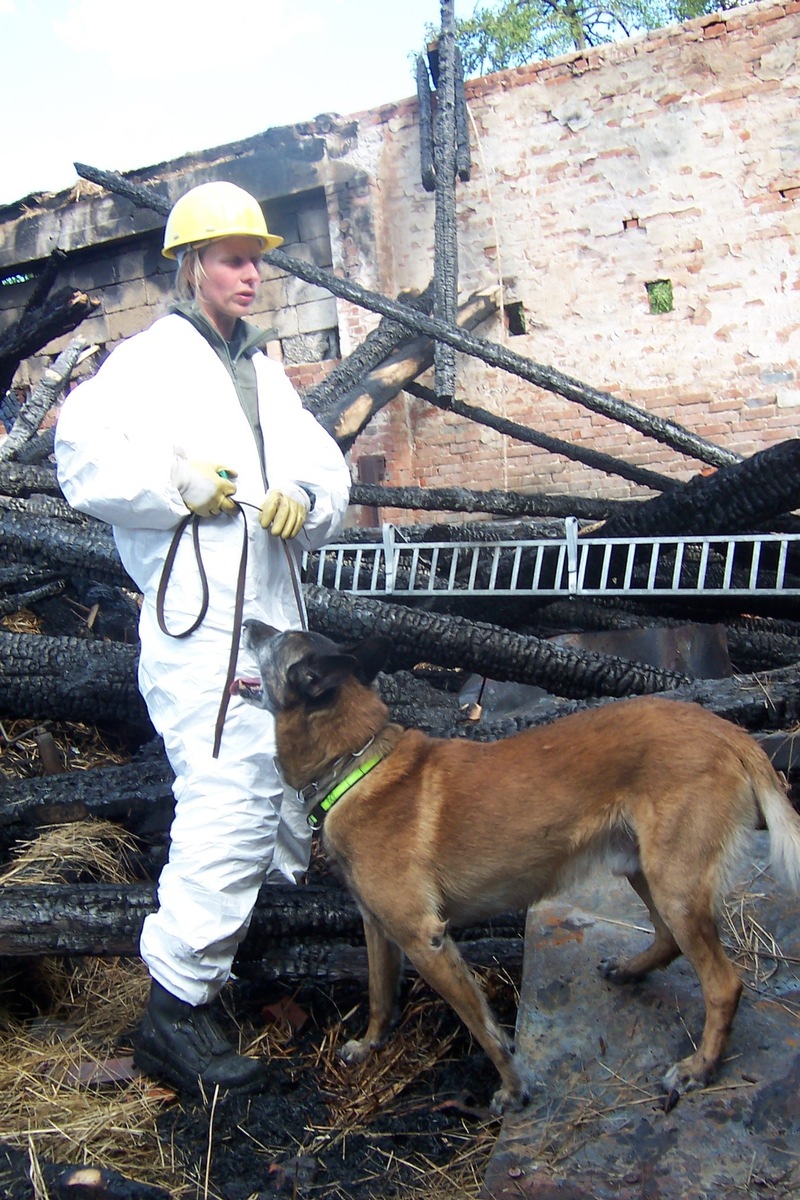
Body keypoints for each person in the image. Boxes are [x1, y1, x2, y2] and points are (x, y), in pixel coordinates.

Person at [55, 181, 351, 1095]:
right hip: (199, 635)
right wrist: (177, 482)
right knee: (228, 806)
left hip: (269, 625)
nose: (252, 275)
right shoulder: (148, 362)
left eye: (257, 258)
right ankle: (171, 1020)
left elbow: (320, 462)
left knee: (279, 810)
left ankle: (244, 981)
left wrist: (304, 498)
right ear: (191, 266)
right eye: (233, 259)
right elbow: (83, 458)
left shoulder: (259, 368)